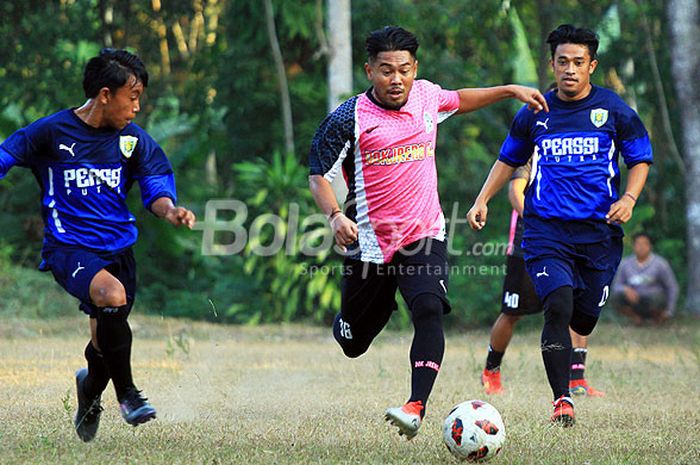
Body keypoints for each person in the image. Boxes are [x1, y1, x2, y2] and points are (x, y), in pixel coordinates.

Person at [308, 25, 548, 440]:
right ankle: (351, 321)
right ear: (369, 71)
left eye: (404, 69)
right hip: (369, 242)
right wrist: (334, 216)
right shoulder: (348, 117)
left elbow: (462, 99)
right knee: (354, 341)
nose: (396, 79)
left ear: (414, 68)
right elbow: (317, 176)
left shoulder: (426, 96)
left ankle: (415, 405)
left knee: (428, 310)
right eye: (386, 70)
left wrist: (509, 90)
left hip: (424, 234)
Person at [0, 48, 196, 442]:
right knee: (111, 295)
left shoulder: (132, 141)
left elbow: (155, 183)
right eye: (133, 95)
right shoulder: (51, 132)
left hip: (119, 249)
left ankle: (89, 390)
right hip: (68, 248)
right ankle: (129, 395)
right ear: (105, 94)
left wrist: (170, 210)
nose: (137, 107)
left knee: (104, 342)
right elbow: (6, 154)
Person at [467, 24, 652, 426]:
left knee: (583, 317)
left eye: (578, 63)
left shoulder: (613, 109)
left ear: (592, 66)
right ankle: (562, 400)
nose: (570, 69)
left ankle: (570, 371)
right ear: (551, 64)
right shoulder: (535, 111)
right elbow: (508, 160)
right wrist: (482, 199)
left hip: (599, 234)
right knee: (558, 306)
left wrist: (629, 199)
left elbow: (639, 158)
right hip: (546, 231)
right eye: (562, 61)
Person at [481, 155, 605, 398]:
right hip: (528, 243)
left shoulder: (575, 145)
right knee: (512, 313)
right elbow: (516, 192)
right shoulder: (531, 148)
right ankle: (491, 370)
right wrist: (540, 224)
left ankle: (576, 378)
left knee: (573, 305)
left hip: (569, 242)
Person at [612, 232, 679, 325]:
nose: (641, 247)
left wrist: (670, 310)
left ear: (650, 246)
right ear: (633, 246)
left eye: (645, 244)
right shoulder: (625, 264)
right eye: (638, 244)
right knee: (617, 297)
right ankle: (636, 318)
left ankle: (658, 319)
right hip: (634, 301)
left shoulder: (660, 264)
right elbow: (616, 285)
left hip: (653, 300)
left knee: (657, 299)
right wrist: (625, 289)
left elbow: (672, 287)